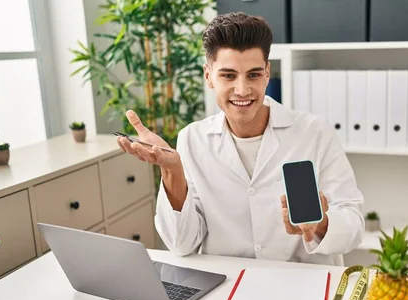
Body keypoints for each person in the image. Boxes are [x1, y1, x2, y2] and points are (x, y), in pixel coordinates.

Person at [116, 12, 365, 266]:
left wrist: (321, 224)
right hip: (229, 288)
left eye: (254, 75)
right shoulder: (192, 138)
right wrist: (171, 172)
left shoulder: (314, 133)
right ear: (208, 75)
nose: (243, 89)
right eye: (228, 75)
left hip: (305, 286)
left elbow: (354, 226)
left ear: (268, 73)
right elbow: (182, 243)